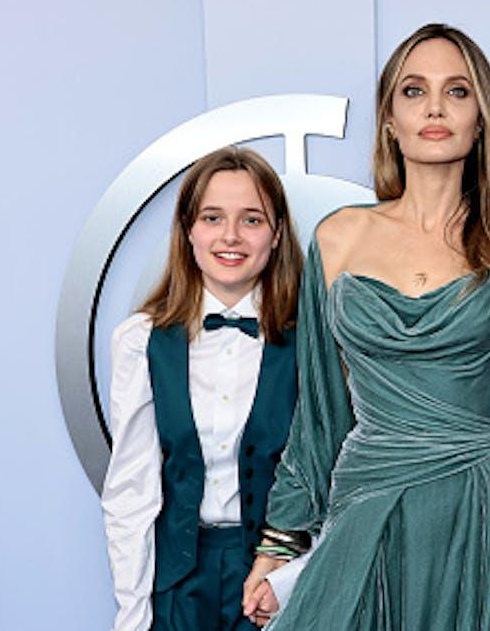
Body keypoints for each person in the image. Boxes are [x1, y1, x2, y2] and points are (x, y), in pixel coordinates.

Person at [242, 23, 490, 631]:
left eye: (457, 91)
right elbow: (319, 417)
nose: (435, 107)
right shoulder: (337, 239)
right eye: (414, 91)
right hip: (371, 499)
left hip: (486, 513)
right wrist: (279, 545)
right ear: (389, 118)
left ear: (482, 118)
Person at [101, 146, 304, 631]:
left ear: (276, 234)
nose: (230, 236)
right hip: (176, 582)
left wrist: (292, 576)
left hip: (274, 580)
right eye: (213, 217)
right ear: (188, 229)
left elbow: (327, 478)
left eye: (251, 220)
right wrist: (132, 617)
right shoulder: (140, 341)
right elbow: (131, 490)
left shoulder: (311, 343)